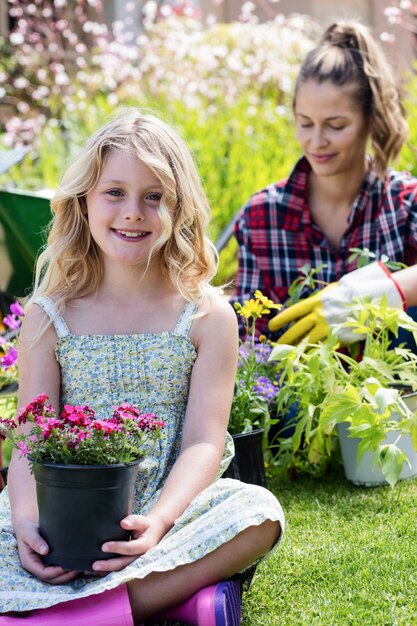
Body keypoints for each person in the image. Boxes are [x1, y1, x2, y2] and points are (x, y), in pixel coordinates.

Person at [0, 109, 284, 626]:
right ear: (83, 202)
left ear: (180, 209)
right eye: (115, 193)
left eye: (154, 197)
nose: (133, 212)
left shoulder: (205, 315)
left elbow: (204, 441)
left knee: (258, 516)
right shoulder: (49, 315)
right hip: (65, 507)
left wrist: (158, 521)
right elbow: (29, 437)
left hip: (166, 508)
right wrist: (26, 522)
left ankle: (96, 613)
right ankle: (188, 601)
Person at [231, 20, 417, 343]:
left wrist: (388, 291)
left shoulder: (402, 205)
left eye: (335, 125)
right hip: (293, 392)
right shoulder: (262, 217)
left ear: (370, 120)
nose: (316, 141)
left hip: (399, 391)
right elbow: (247, 338)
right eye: (305, 123)